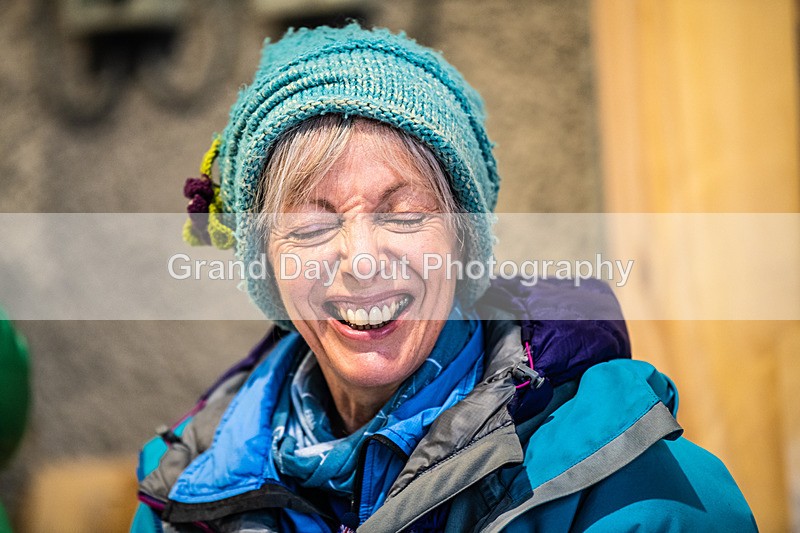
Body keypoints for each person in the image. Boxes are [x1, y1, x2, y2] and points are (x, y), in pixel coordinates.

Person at [132, 24, 756, 532]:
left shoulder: (630, 486)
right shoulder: (186, 493)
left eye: (402, 214)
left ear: (462, 243)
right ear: (265, 262)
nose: (362, 258)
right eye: (311, 226)